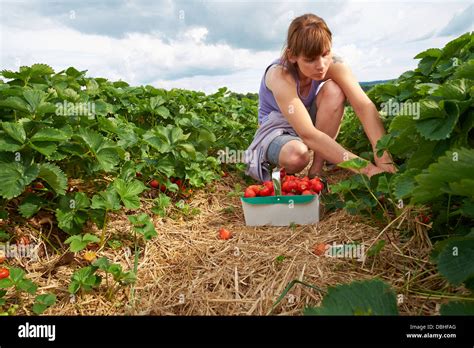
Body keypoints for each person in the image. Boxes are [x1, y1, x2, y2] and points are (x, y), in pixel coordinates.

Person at [244, 13, 397, 183]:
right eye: (310, 59)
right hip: (277, 130)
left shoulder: (334, 65)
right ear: (292, 56)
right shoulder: (280, 75)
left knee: (334, 90)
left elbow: (364, 106)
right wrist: (368, 170)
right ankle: (277, 166)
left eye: (325, 54)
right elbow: (308, 133)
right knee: (297, 156)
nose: (321, 65)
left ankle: (316, 170)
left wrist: (383, 157)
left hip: (307, 123)